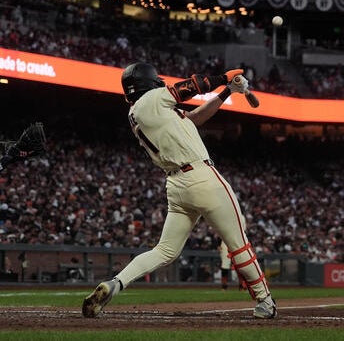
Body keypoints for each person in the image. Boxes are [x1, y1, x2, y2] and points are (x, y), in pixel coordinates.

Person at [82, 63, 277, 319]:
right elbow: (192, 86)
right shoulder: (152, 98)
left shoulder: (141, 112)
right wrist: (224, 77)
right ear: (148, 83)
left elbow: (194, 119)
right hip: (201, 176)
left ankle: (115, 284)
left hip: (176, 185)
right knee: (238, 244)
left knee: (164, 250)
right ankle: (265, 302)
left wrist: (227, 91)